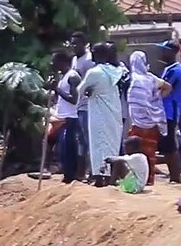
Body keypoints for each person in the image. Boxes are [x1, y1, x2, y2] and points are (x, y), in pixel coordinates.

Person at [79, 41, 125, 186]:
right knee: (111, 143)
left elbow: (78, 91)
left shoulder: (95, 72)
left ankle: (99, 177)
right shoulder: (116, 71)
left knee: (98, 143)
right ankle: (110, 177)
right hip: (114, 112)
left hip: (99, 113)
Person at [126, 51, 169, 186]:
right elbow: (168, 87)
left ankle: (138, 180)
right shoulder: (151, 78)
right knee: (150, 153)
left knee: (135, 153)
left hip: (137, 122)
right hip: (151, 121)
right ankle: (149, 180)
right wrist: (155, 101)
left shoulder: (130, 78)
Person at [50, 51, 83, 184]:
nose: (52, 64)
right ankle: (67, 174)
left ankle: (71, 176)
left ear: (61, 61)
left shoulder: (72, 77)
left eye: (54, 61)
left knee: (68, 148)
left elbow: (74, 99)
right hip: (61, 117)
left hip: (70, 118)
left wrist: (57, 89)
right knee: (61, 149)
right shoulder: (62, 76)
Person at [159, 40, 181, 183]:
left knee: (170, 145)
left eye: (164, 50)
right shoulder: (169, 68)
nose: (162, 53)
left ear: (172, 52)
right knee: (166, 145)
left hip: (171, 111)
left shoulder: (175, 70)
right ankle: (173, 175)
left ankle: (176, 176)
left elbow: (163, 88)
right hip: (166, 111)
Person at [71, 31, 94, 177]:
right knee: (80, 139)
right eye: (72, 43)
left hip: (86, 105)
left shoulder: (89, 60)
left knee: (87, 139)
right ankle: (81, 172)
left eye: (76, 43)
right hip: (76, 105)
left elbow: (90, 84)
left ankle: (91, 171)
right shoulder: (75, 59)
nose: (73, 46)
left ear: (84, 44)